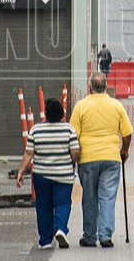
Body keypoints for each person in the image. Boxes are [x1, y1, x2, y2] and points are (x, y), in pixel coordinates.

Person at [69, 72, 133, 248]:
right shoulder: (116, 106)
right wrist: (124, 150)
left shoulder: (81, 106)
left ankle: (89, 237)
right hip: (111, 158)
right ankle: (105, 236)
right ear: (106, 87)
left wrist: (72, 159)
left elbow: (73, 136)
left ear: (90, 88)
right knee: (107, 197)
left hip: (87, 158)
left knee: (89, 198)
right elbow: (127, 133)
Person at [16, 98, 79, 250]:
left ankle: (45, 240)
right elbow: (75, 150)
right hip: (64, 175)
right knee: (63, 203)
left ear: (46, 113)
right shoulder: (69, 129)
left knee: (43, 206)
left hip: (41, 175)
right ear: (62, 113)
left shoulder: (36, 130)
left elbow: (29, 153)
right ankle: (60, 229)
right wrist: (72, 162)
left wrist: (21, 171)